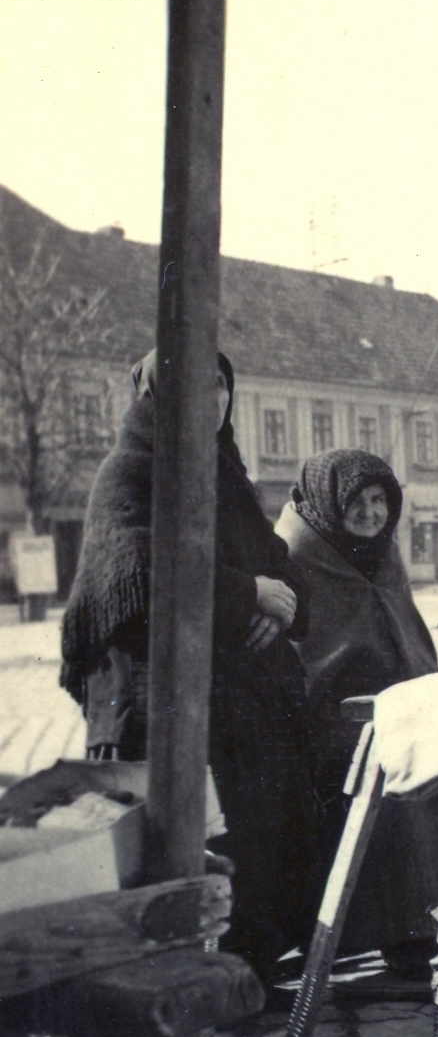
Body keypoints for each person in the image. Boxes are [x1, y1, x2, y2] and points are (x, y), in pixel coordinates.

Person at [61, 350, 320, 982]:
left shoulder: (227, 476)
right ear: (154, 396)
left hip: (237, 693)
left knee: (256, 827)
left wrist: (279, 603)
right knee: (183, 834)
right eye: (190, 388)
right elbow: (135, 573)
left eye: (221, 388)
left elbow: (277, 563)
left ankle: (245, 964)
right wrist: (247, 595)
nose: (212, 401)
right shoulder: (129, 472)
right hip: (157, 695)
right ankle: (182, 977)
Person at [277, 450, 438, 976]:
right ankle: (402, 930)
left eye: (379, 501)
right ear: (327, 505)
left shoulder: (381, 556)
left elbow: (408, 638)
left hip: (396, 706)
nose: (371, 514)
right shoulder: (294, 556)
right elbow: (305, 658)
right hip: (327, 722)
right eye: (356, 502)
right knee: (399, 773)